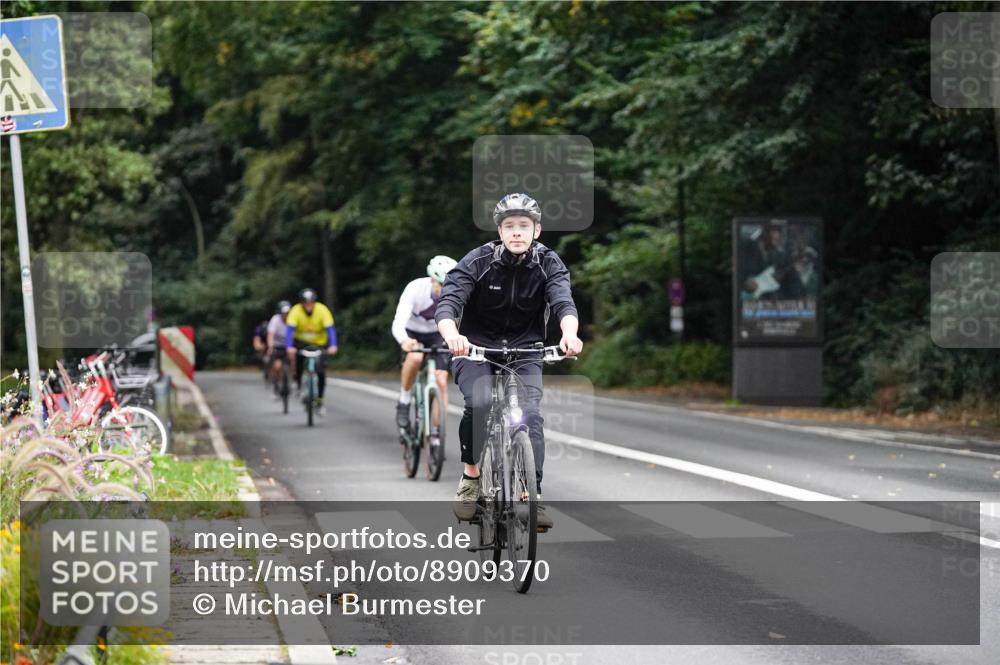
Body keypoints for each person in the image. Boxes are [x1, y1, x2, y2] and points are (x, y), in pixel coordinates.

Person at [436, 193, 583, 530]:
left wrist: (569, 334)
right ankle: (471, 477)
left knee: (530, 416)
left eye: (524, 226)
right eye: (510, 226)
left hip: (526, 349)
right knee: (481, 402)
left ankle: (532, 498)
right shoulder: (478, 260)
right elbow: (449, 303)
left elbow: (563, 303)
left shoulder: (549, 263)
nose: (517, 232)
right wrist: (451, 335)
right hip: (474, 348)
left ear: (537, 231)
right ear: (500, 232)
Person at [392, 256, 457, 437]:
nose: (444, 291)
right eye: (441, 285)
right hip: (412, 331)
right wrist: (404, 340)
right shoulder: (415, 288)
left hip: (437, 334)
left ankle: (436, 433)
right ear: (432, 280)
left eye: (448, 286)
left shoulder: (458, 294)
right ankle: (404, 401)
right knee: (415, 357)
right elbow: (398, 321)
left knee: (442, 380)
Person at [285, 289, 338, 415]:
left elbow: (330, 329)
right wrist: (289, 346)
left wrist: (333, 345)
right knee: (297, 361)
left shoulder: (322, 310)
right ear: (301, 303)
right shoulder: (295, 311)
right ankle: (297, 383)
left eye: (311, 303)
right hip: (301, 342)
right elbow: (290, 330)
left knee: (321, 372)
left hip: (319, 344)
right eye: (305, 303)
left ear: (314, 302)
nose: (308, 305)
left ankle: (319, 400)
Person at [266, 300, 292, 393]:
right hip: (277, 346)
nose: (286, 315)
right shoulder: (275, 320)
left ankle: (294, 378)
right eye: (284, 313)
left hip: (289, 346)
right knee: (277, 366)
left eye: (287, 313)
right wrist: (270, 347)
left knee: (294, 357)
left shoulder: (293, 320)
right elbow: (270, 334)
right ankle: (276, 384)